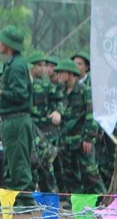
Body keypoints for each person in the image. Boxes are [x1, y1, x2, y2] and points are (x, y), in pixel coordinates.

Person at [0, 25, 35, 207]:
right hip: (10, 120)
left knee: (19, 164)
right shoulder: (11, 63)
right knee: (11, 163)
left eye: (1, 41)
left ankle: (25, 203)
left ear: (8, 44)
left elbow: (21, 95)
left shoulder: (17, 66)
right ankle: (15, 202)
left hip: (17, 120)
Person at [54, 59, 106, 196]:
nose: (58, 75)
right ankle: (77, 202)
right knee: (68, 172)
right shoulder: (60, 91)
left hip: (82, 140)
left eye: (61, 72)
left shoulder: (85, 91)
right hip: (65, 140)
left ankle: (106, 202)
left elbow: (91, 115)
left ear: (71, 74)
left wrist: (89, 138)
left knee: (90, 172)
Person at [28, 51, 62, 193]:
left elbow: (60, 100)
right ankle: (30, 197)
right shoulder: (23, 84)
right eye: (39, 65)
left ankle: (50, 197)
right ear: (31, 67)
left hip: (45, 131)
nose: (43, 68)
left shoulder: (46, 86)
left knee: (46, 164)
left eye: (44, 65)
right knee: (31, 164)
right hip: (29, 129)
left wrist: (57, 111)